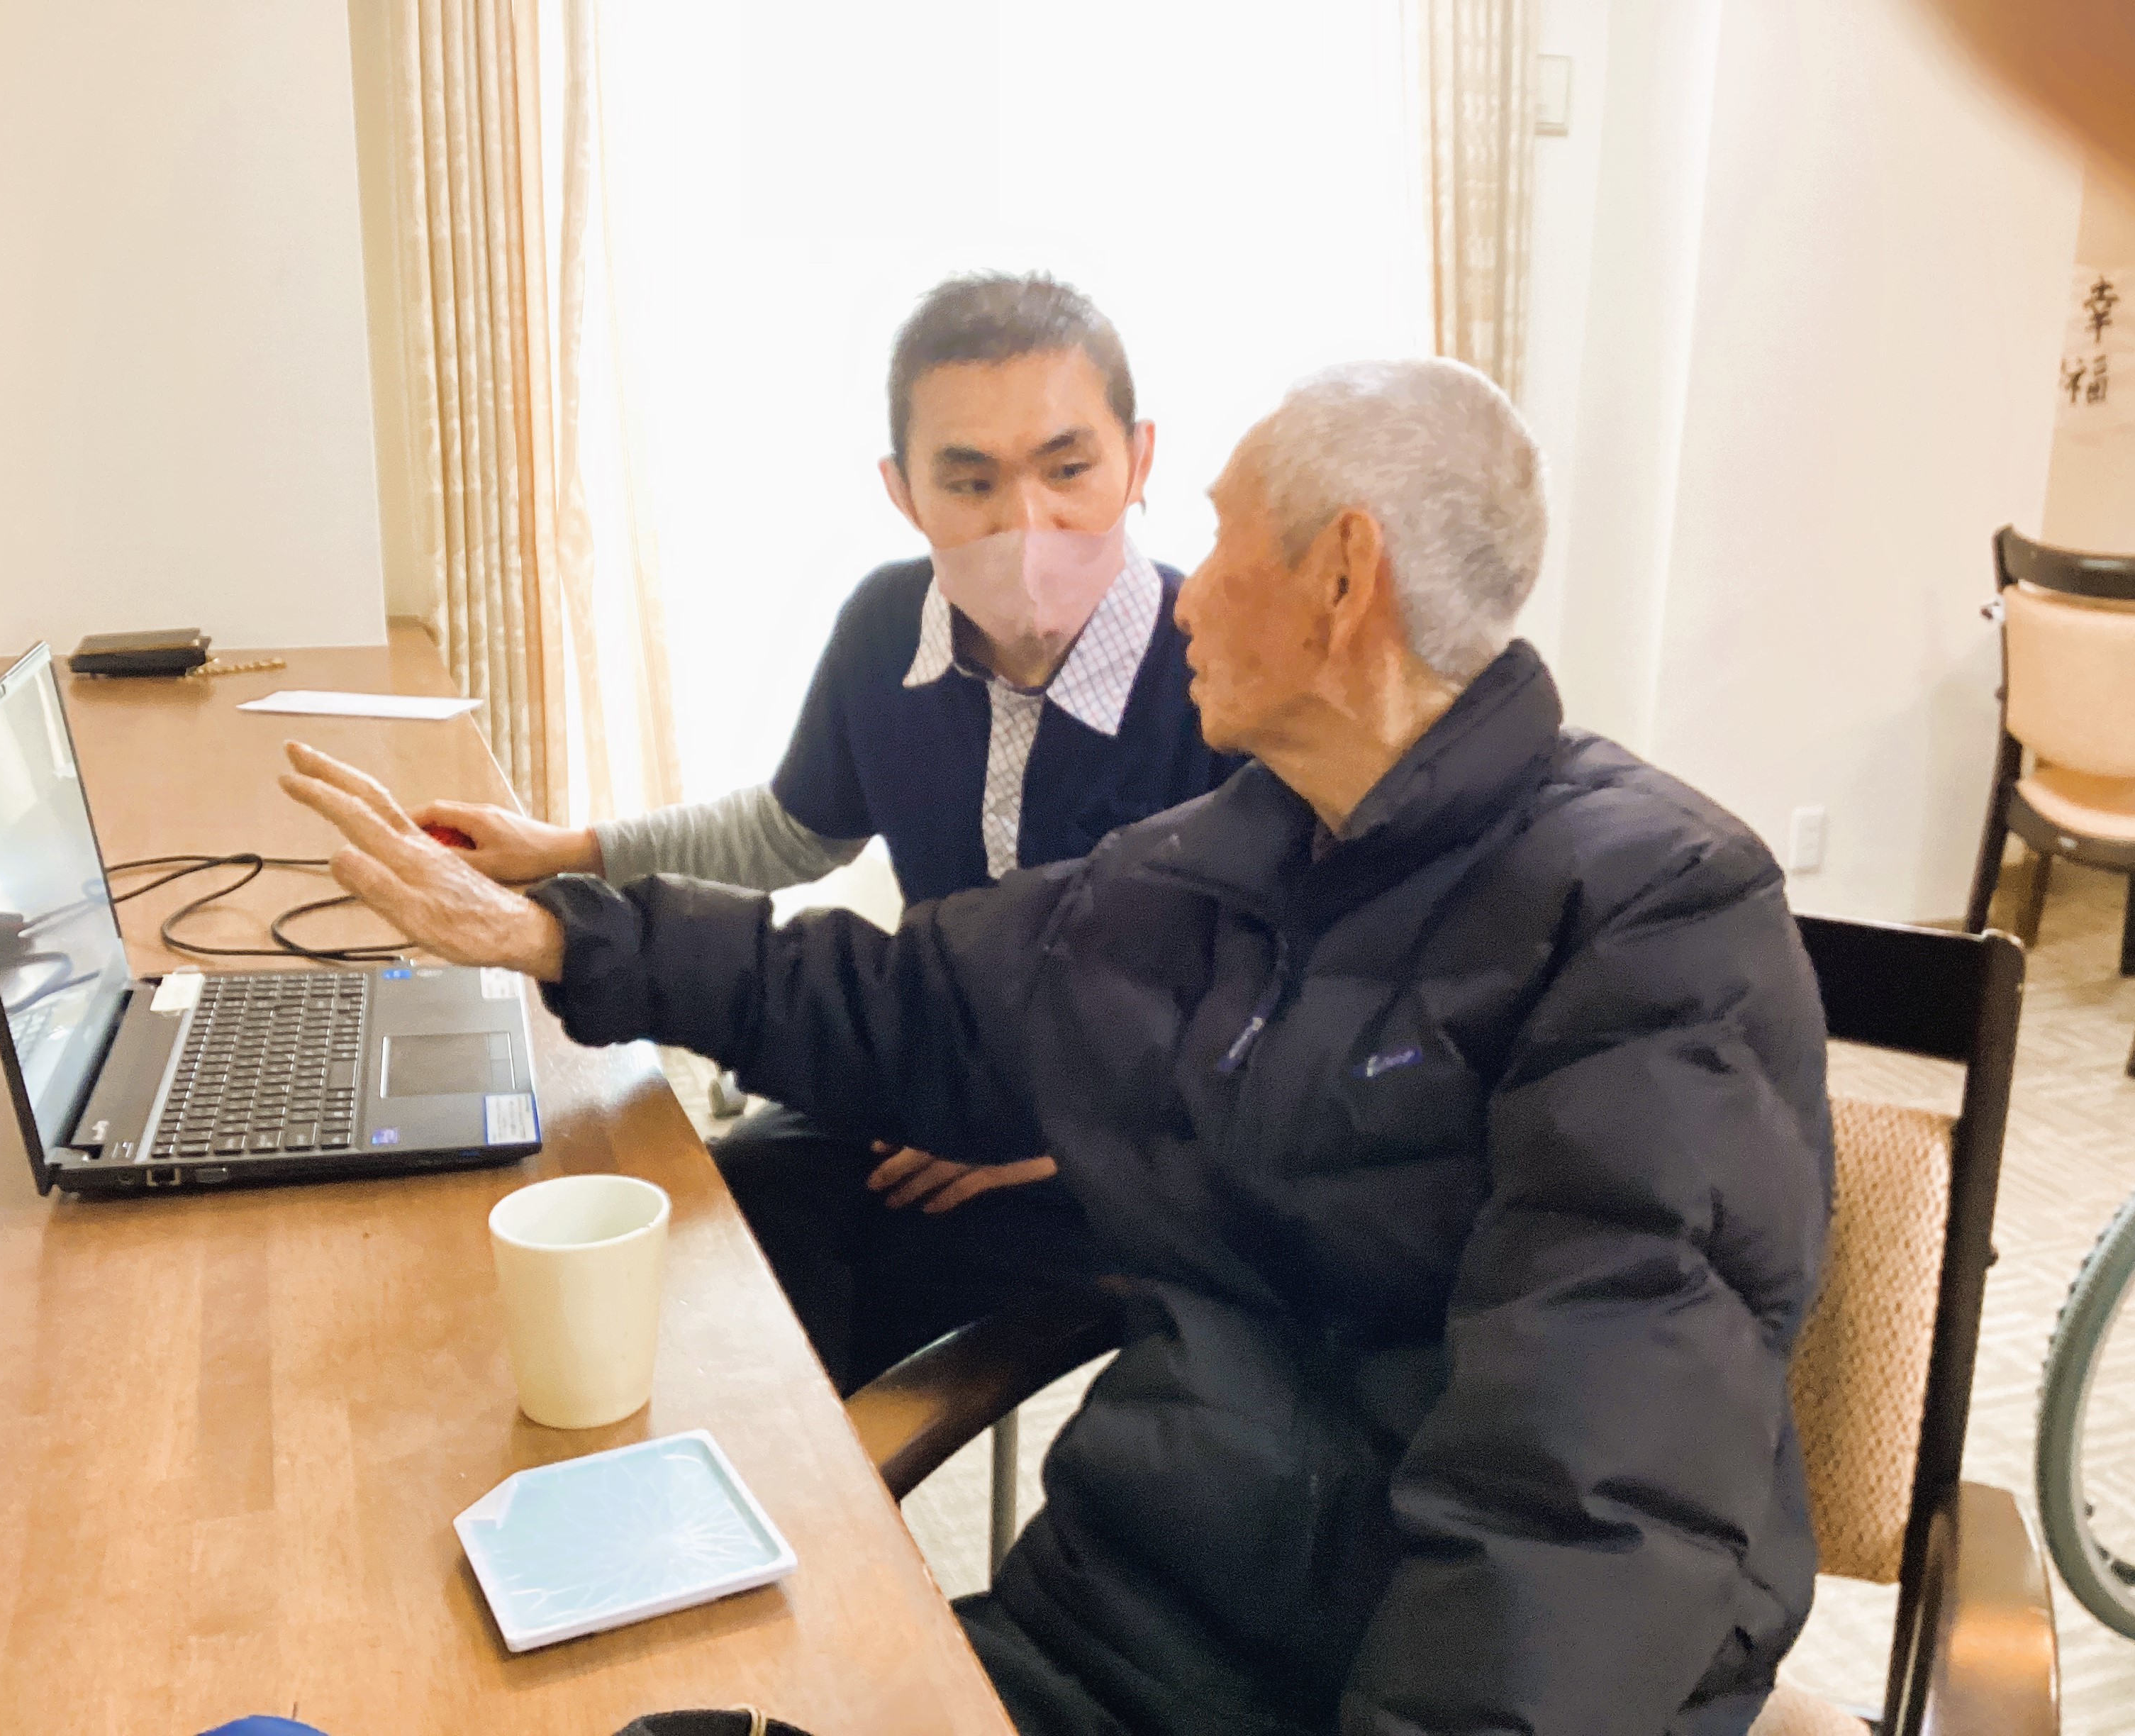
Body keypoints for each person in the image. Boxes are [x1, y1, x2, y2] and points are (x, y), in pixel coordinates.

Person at [282, 357, 1833, 1735]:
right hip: (1134, 1631)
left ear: (1341, 576)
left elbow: (1585, 1506)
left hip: (1402, 1672)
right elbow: (908, 1003)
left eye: (1221, 538)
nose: (1184, 595)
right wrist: (560, 934)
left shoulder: (1649, 911)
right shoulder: (1221, 859)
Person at [416, 272, 1242, 1391]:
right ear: (904, 492)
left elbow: (1290, 1003)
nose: (1025, 522)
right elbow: (792, 831)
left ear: (1138, 463)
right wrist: (570, 852)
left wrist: (1076, 1144)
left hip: (1142, 1152)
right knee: (713, 1250)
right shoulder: (886, 630)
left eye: (1068, 469)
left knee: (809, 1336)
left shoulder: (1225, 669)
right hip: (924, 1076)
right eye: (970, 481)